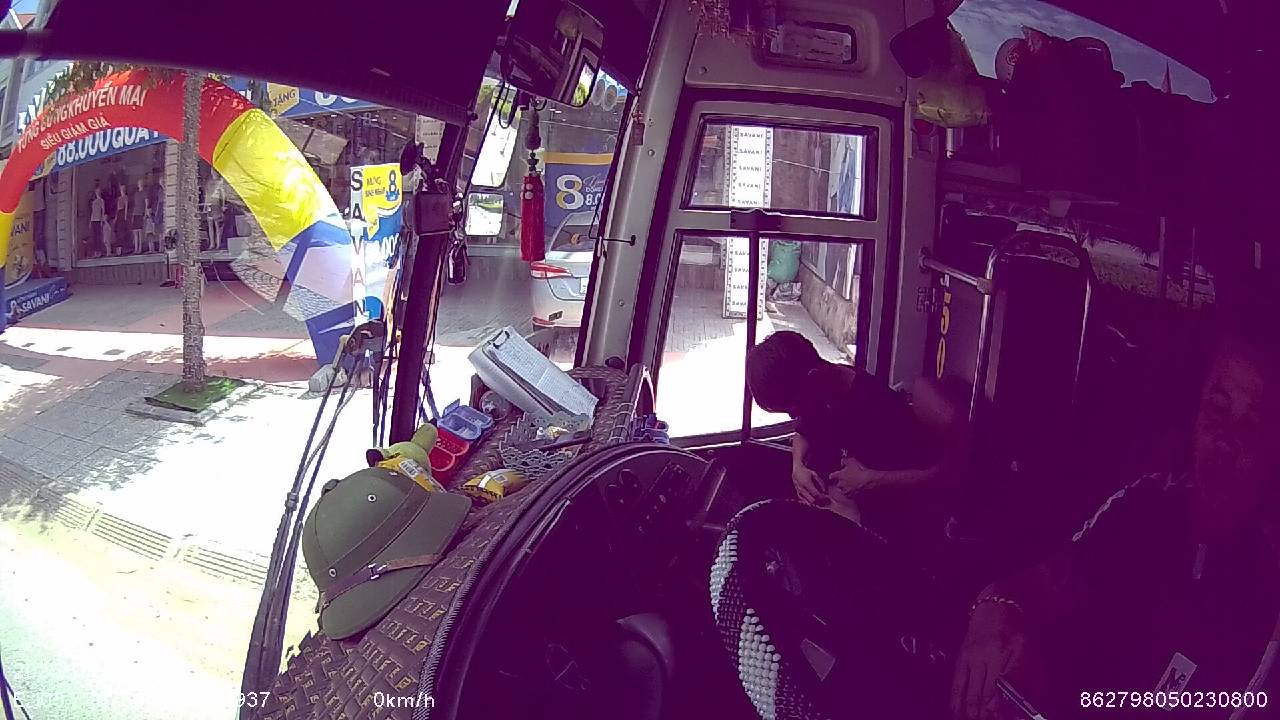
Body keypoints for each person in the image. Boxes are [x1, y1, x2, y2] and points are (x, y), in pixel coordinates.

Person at [950, 311, 1280, 720]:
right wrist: (996, 610)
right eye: (1217, 409)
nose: (1225, 440)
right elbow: (1045, 584)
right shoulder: (1146, 507)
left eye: (1252, 427)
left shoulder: (1265, 596)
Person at [747, 331, 966, 536]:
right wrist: (798, 468)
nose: (793, 415)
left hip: (885, 524)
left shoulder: (879, 411)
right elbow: (803, 431)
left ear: (812, 378)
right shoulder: (822, 391)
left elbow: (938, 477)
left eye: (793, 408)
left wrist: (872, 480)